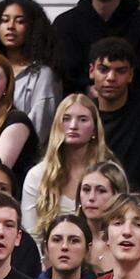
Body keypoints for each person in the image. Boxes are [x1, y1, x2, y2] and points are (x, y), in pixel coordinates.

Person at [20, 91, 111, 243]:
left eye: (83, 119)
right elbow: (31, 237)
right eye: (66, 119)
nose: (74, 126)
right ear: (57, 126)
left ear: (95, 129)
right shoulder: (37, 175)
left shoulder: (110, 173)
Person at [87, 37, 140, 190]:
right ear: (91, 71)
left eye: (120, 71)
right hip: (95, 197)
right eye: (103, 69)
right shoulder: (84, 116)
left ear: (131, 75)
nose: (111, 78)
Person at [0, 0, 62, 139]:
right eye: (4, 20)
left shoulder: (42, 75)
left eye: (20, 21)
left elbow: (39, 130)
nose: (11, 26)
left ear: (32, 27)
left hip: (25, 154)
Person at [52, 0, 140, 93]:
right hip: (78, 105)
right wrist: (87, 90)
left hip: (130, 106)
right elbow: (64, 78)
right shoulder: (64, 25)